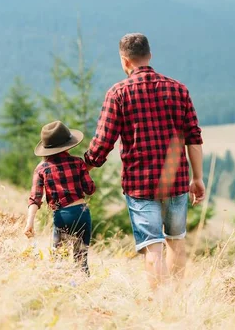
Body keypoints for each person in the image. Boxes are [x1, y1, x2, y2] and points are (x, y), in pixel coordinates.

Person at [84, 33, 205, 288]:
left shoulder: (118, 93)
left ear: (124, 60)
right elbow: (194, 137)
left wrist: (83, 167)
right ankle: (175, 301)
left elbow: (103, 142)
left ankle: (159, 305)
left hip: (141, 186)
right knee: (177, 242)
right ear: (149, 55)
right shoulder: (178, 89)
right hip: (177, 182)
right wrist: (198, 178)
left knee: (153, 249)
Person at [24, 120, 96, 275]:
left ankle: (63, 290)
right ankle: (84, 291)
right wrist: (85, 170)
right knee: (81, 259)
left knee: (59, 259)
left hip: (62, 216)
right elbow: (90, 189)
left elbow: (35, 198)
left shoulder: (41, 169)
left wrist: (29, 222)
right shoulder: (78, 163)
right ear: (68, 144)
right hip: (82, 213)